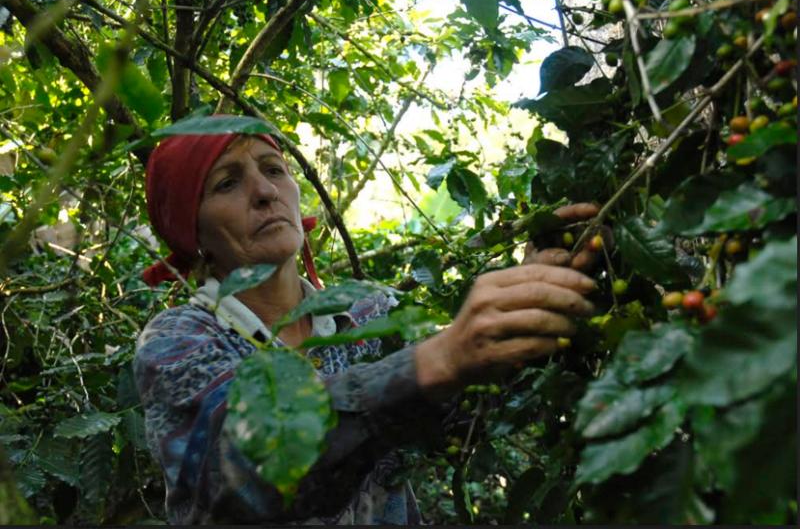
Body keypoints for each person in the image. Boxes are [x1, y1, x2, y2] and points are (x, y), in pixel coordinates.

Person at [133, 117, 600, 524]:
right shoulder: (178, 341)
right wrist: (432, 362)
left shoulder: (370, 312)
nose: (264, 191)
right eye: (227, 183)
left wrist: (527, 309)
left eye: (273, 170)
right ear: (193, 232)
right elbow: (237, 470)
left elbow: (460, 422)